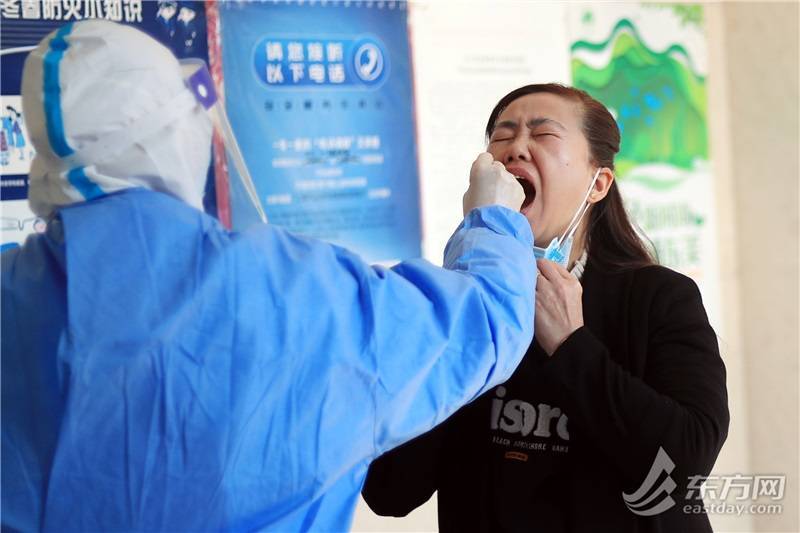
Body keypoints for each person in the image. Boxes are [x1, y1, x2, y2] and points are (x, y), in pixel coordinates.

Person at [1, 21, 537, 532]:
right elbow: (482, 324)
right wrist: (492, 221)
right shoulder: (291, 289)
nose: (516, 147)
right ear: (177, 133)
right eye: (507, 131)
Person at [362, 84, 730, 533]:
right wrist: (462, 313)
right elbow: (389, 490)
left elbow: (683, 468)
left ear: (598, 183)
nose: (516, 147)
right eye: (502, 135)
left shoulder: (659, 297)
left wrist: (572, 347)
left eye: (543, 134)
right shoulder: (455, 305)